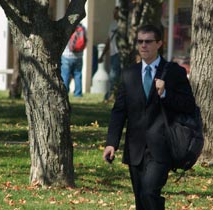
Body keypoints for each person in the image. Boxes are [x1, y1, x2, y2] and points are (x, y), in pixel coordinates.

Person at [102, 25, 196, 210]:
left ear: (159, 43)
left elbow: (188, 105)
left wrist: (165, 93)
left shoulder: (174, 72)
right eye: (140, 42)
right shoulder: (129, 74)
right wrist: (112, 142)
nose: (143, 45)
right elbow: (119, 111)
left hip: (162, 146)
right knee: (140, 199)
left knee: (149, 192)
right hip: (135, 148)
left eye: (148, 41)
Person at [100, 8, 122, 100]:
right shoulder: (112, 24)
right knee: (113, 75)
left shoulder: (124, 25)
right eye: (113, 13)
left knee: (116, 76)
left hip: (121, 53)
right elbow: (109, 40)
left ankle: (112, 95)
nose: (114, 15)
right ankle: (111, 95)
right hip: (113, 54)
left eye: (116, 13)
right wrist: (102, 54)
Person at [61, 24, 86, 97]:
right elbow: (85, 41)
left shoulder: (67, 27)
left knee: (65, 75)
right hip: (78, 56)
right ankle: (78, 94)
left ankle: (65, 93)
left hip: (66, 56)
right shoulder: (82, 28)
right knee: (78, 75)